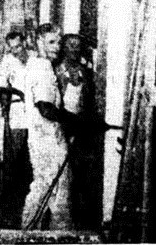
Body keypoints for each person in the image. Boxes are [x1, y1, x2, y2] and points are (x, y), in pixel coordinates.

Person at [21, 23, 75, 230]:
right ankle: (60, 236)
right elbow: (45, 108)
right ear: (38, 42)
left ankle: (26, 232)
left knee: (42, 189)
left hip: (40, 139)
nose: (57, 47)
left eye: (59, 42)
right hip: (48, 142)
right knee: (60, 193)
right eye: (51, 42)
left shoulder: (37, 65)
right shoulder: (42, 68)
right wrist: (75, 121)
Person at [56, 34, 101, 229]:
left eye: (77, 46)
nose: (74, 50)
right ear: (63, 48)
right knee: (65, 172)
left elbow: (88, 99)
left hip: (81, 126)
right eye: (70, 46)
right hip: (64, 125)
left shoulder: (84, 71)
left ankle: (81, 218)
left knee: (82, 172)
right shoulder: (58, 71)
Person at [0, 31, 36, 226]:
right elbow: (1, 86)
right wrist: (16, 92)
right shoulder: (7, 61)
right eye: (11, 48)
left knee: (33, 154)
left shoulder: (36, 57)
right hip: (19, 110)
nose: (15, 51)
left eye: (18, 47)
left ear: (25, 43)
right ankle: (12, 206)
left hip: (36, 110)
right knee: (15, 156)